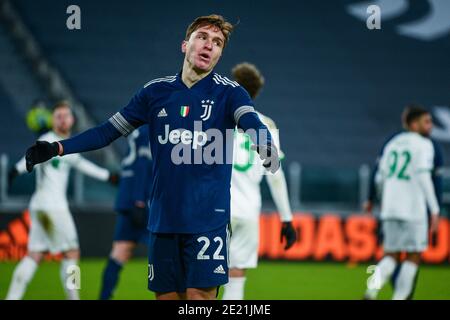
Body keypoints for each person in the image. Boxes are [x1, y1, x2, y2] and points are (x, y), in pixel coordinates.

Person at [23, 14, 280, 300]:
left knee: (198, 301)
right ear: (185, 45)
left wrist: (265, 145)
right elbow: (107, 131)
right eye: (203, 37)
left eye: (217, 42)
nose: (209, 45)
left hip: (208, 221)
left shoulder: (231, 94)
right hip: (164, 221)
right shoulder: (154, 92)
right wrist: (58, 147)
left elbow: (251, 122)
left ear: (220, 54)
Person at [6, 101, 118, 300]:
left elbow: (81, 164)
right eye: (58, 116)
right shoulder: (49, 141)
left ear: (72, 119)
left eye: (65, 115)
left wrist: (107, 176)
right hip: (54, 207)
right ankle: (73, 298)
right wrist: (16, 170)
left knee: (35, 254)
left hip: (39, 207)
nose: (62, 119)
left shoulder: (65, 144)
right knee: (72, 252)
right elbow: (32, 157)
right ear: (53, 120)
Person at [222, 63, 296, 300]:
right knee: (236, 275)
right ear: (255, 92)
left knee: (204, 276)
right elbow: (276, 176)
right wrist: (286, 218)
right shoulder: (267, 124)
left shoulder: (218, 118)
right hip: (247, 210)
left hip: (216, 207)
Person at [363, 106, 440, 300]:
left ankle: (370, 293)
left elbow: (379, 177)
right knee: (413, 256)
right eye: (427, 122)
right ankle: (399, 298)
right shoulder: (424, 145)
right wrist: (435, 209)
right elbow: (424, 177)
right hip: (414, 210)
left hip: (390, 208)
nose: (430, 126)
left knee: (390, 256)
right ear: (414, 124)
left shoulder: (392, 143)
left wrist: (380, 199)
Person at [99, 125, 152, 300]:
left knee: (120, 252)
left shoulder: (138, 131)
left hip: (128, 200)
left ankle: (104, 297)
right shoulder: (150, 131)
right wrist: (139, 200)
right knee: (168, 254)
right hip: (142, 202)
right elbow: (142, 165)